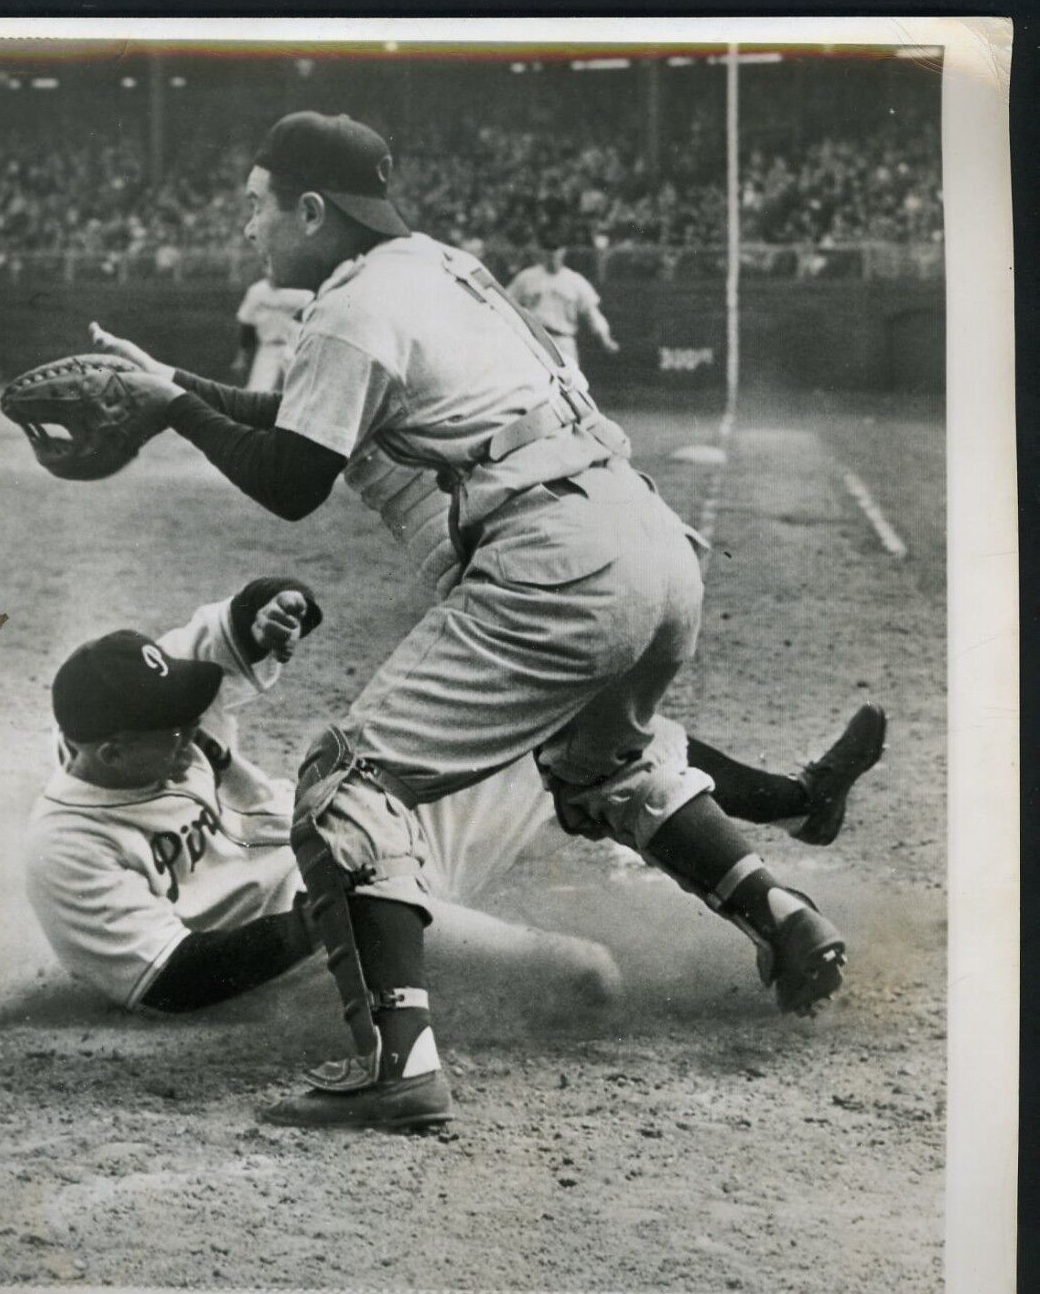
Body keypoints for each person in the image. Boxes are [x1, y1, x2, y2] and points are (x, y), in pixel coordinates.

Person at [89, 111, 876, 1131]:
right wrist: (169, 388)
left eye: (257, 207)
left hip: (553, 560)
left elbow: (291, 480)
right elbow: (295, 416)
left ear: (313, 210)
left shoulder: (347, 309)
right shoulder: (436, 267)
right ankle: (783, 913)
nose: (251, 230)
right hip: (647, 543)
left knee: (341, 783)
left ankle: (397, 1064)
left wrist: (174, 414)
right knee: (602, 765)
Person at [26, 572, 883, 1023]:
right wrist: (336, 913)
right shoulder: (68, 851)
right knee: (589, 979)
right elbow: (170, 982)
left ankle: (794, 805)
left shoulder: (145, 722)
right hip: (328, 944)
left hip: (360, 839)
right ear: (104, 752)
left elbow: (227, 633)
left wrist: (272, 607)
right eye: (169, 727)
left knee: (571, 723)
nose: (190, 726)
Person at [506, 240, 620, 371]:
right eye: (548, 251)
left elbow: (592, 314)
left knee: (569, 382)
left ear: (563, 252)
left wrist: (606, 339)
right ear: (542, 253)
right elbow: (507, 303)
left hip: (564, 340)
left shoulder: (575, 280)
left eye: (556, 250)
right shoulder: (526, 278)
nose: (552, 255)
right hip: (536, 340)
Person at [230, 277, 313, 391]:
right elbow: (246, 324)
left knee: (299, 392)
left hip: (295, 348)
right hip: (268, 347)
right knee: (259, 392)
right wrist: (242, 356)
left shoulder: (304, 290)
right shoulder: (257, 291)